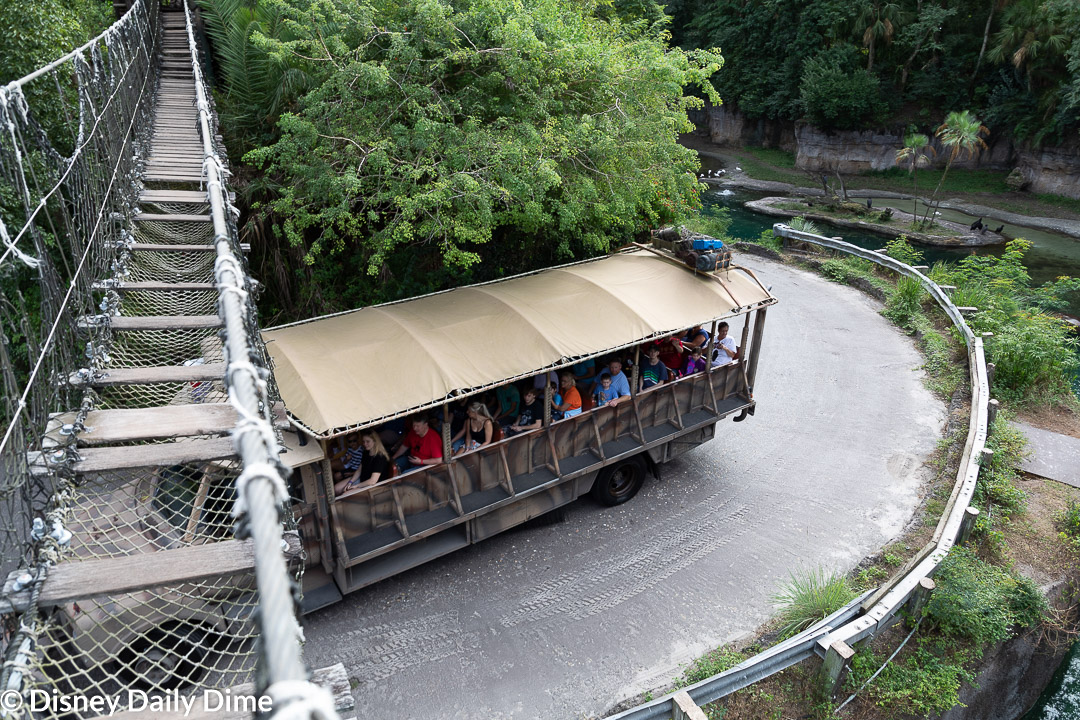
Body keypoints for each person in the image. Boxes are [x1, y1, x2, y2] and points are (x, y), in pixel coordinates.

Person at [334, 430, 390, 495]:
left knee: (345, 495)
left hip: (372, 486)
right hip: (362, 479)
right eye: (363, 441)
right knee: (336, 489)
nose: (364, 444)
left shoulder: (380, 457)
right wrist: (350, 482)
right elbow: (359, 470)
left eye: (368, 441)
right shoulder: (366, 452)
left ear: (375, 441)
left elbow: (373, 481)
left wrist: (357, 486)